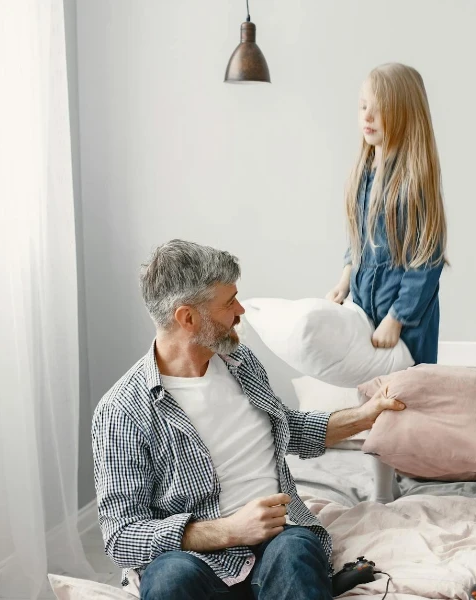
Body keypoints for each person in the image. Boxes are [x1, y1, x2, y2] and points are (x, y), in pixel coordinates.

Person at [92, 239, 404, 599]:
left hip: (279, 541)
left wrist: (365, 416)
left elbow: (288, 428)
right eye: (228, 303)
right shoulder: (123, 411)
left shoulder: (240, 364)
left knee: (296, 552)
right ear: (187, 318)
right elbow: (121, 537)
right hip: (191, 557)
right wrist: (228, 531)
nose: (240, 310)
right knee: (169, 579)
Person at [326, 63, 448, 503]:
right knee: (368, 396)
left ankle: (388, 487)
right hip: (365, 302)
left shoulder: (415, 181)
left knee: (396, 399)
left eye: (379, 110)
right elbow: (357, 239)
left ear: (405, 115)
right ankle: (385, 481)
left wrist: (397, 318)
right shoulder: (364, 170)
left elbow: (426, 260)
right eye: (363, 107)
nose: (367, 118)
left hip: (404, 314)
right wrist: (344, 280)